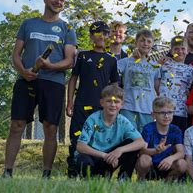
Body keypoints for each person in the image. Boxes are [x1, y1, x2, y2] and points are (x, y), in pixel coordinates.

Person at [2, 0, 77, 179]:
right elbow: (16, 54)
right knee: (17, 124)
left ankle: (46, 174)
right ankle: (7, 171)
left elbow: (70, 61)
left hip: (53, 83)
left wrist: (50, 66)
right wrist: (23, 71)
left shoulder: (67, 29)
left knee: (50, 128)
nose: (58, 1)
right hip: (26, 81)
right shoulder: (28, 24)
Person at [66, 21, 119, 178]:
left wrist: (114, 106)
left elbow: (115, 86)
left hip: (101, 109)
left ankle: (99, 173)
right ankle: (73, 172)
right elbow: (73, 79)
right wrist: (70, 102)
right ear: (91, 36)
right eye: (97, 33)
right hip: (82, 105)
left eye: (105, 33)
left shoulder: (112, 60)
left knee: (100, 139)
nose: (101, 36)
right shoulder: (83, 55)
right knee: (77, 139)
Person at [75, 85, 146, 179]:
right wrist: (104, 155)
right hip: (93, 157)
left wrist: (120, 150)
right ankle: (89, 180)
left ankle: (123, 179)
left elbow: (141, 142)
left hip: (111, 160)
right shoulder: (93, 119)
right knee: (82, 159)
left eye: (116, 102)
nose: (113, 105)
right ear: (102, 103)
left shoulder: (123, 121)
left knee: (131, 143)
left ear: (122, 104)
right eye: (109, 101)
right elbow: (80, 146)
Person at [117, 29, 161, 131]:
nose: (145, 43)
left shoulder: (155, 66)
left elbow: (158, 89)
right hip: (128, 107)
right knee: (129, 139)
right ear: (136, 43)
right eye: (142, 40)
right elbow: (110, 73)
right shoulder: (125, 62)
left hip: (147, 109)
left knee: (145, 141)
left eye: (149, 41)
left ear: (152, 45)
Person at [135, 97, 187, 180]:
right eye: (162, 113)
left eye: (170, 112)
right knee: (144, 159)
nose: (166, 116)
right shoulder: (148, 128)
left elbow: (181, 153)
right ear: (153, 115)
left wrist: (171, 158)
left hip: (167, 164)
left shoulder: (175, 130)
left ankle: (168, 182)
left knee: (182, 163)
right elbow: (142, 151)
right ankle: (141, 180)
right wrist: (156, 151)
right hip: (150, 165)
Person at [159, 36, 193, 132]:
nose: (180, 51)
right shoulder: (163, 64)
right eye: (176, 49)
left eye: (183, 48)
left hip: (181, 112)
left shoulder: (191, 70)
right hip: (163, 109)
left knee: (178, 141)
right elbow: (156, 81)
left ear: (187, 51)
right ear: (171, 51)